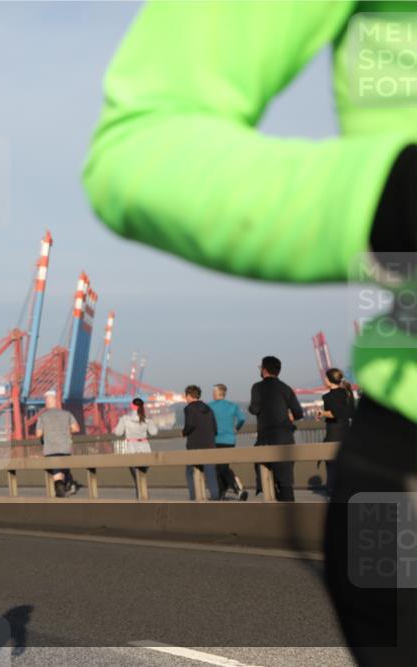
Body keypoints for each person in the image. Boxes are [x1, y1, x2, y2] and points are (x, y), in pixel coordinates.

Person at [83, 5, 415, 662]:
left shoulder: (242, 398)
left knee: (245, 474)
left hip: (265, 443)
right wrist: (389, 197)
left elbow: (276, 411)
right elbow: (140, 147)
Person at [248, 356, 304, 502]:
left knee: (265, 477)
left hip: (265, 439)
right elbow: (298, 413)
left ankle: (272, 508)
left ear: (264, 370)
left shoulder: (257, 387)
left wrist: (251, 407)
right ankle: (289, 510)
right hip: (285, 439)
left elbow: (254, 409)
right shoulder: (286, 388)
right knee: (285, 482)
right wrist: (289, 416)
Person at [317, 367, 355, 497]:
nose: (324, 379)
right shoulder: (347, 393)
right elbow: (350, 412)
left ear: (329, 380)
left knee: (331, 464)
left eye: (325, 377)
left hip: (334, 432)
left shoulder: (328, 396)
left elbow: (334, 413)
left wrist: (322, 413)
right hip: (347, 432)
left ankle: (332, 492)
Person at [37, 391, 82, 497]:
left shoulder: (42, 417)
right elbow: (76, 428)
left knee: (56, 472)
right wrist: (65, 431)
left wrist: (48, 433)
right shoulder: (67, 414)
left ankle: (61, 493)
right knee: (64, 468)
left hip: (50, 449)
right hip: (65, 448)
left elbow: (38, 434)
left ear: (47, 402)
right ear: (56, 401)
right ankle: (70, 484)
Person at [208, 384, 248, 501]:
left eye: (213, 392)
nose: (212, 394)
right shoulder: (232, 405)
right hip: (230, 440)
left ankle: (238, 490)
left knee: (222, 468)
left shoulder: (210, 406)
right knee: (221, 467)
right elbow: (242, 418)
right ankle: (221, 493)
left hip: (216, 440)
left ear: (217, 393)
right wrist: (236, 428)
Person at [113, 397, 157, 497]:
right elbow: (154, 432)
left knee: (136, 479)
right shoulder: (147, 420)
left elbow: (118, 433)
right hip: (145, 450)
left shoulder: (125, 419)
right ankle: (144, 497)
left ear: (132, 406)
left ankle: (140, 499)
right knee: (142, 477)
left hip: (131, 450)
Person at [182, 385, 218, 500]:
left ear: (189, 395)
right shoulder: (209, 408)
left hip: (194, 445)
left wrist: (184, 432)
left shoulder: (189, 408)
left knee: (190, 471)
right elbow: (215, 429)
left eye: (186, 396)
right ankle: (215, 496)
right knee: (210, 472)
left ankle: (194, 496)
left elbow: (190, 424)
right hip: (210, 445)